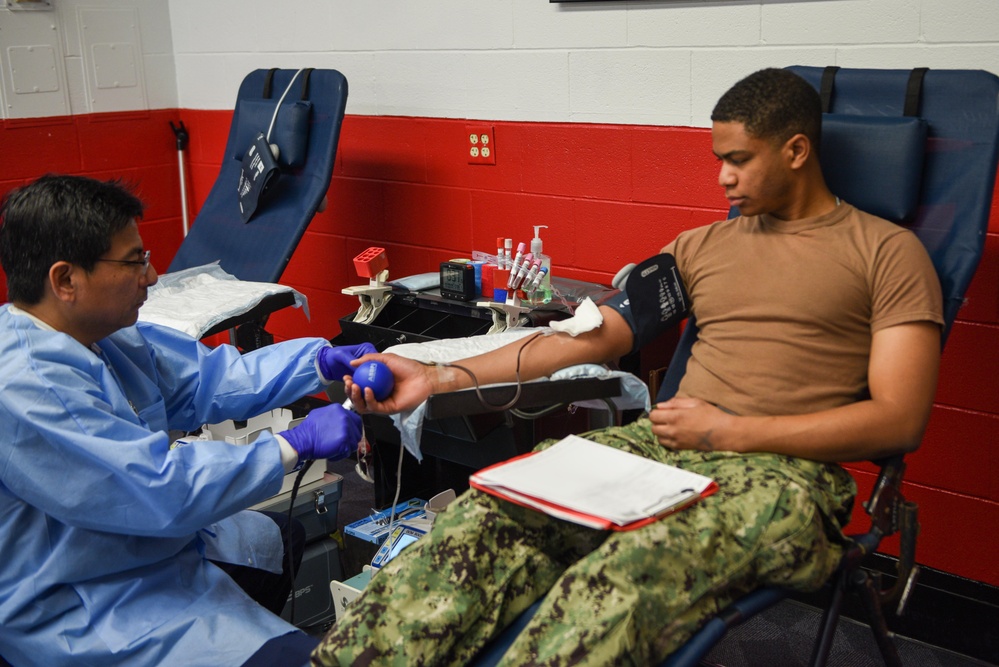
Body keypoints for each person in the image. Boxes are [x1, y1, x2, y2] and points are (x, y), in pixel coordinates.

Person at [311, 67, 945, 666]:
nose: (722, 178)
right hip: (662, 446)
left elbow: (897, 422)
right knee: (482, 519)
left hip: (785, 474)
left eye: (739, 159)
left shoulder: (887, 254)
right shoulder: (699, 249)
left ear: (797, 151)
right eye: (718, 159)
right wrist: (438, 375)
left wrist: (726, 433)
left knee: (619, 577)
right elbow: (583, 339)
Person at [0, 174, 374, 666]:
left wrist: (318, 362)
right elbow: (157, 488)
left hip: (143, 553)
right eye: (135, 261)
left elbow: (212, 378)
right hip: (86, 604)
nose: (152, 277)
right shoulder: (27, 386)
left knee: (280, 539)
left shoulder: (101, 336)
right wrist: (293, 444)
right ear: (66, 279)